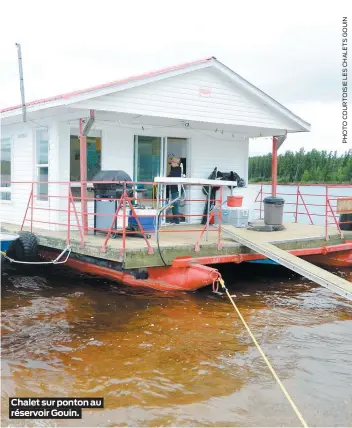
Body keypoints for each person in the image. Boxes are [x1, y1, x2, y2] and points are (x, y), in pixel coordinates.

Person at [167, 157, 182, 224]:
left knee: (175, 204)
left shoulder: (177, 169)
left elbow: (171, 177)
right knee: (174, 204)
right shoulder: (176, 169)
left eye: (172, 162)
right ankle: (175, 219)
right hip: (173, 188)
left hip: (175, 188)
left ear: (176, 163)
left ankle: (176, 219)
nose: (171, 164)